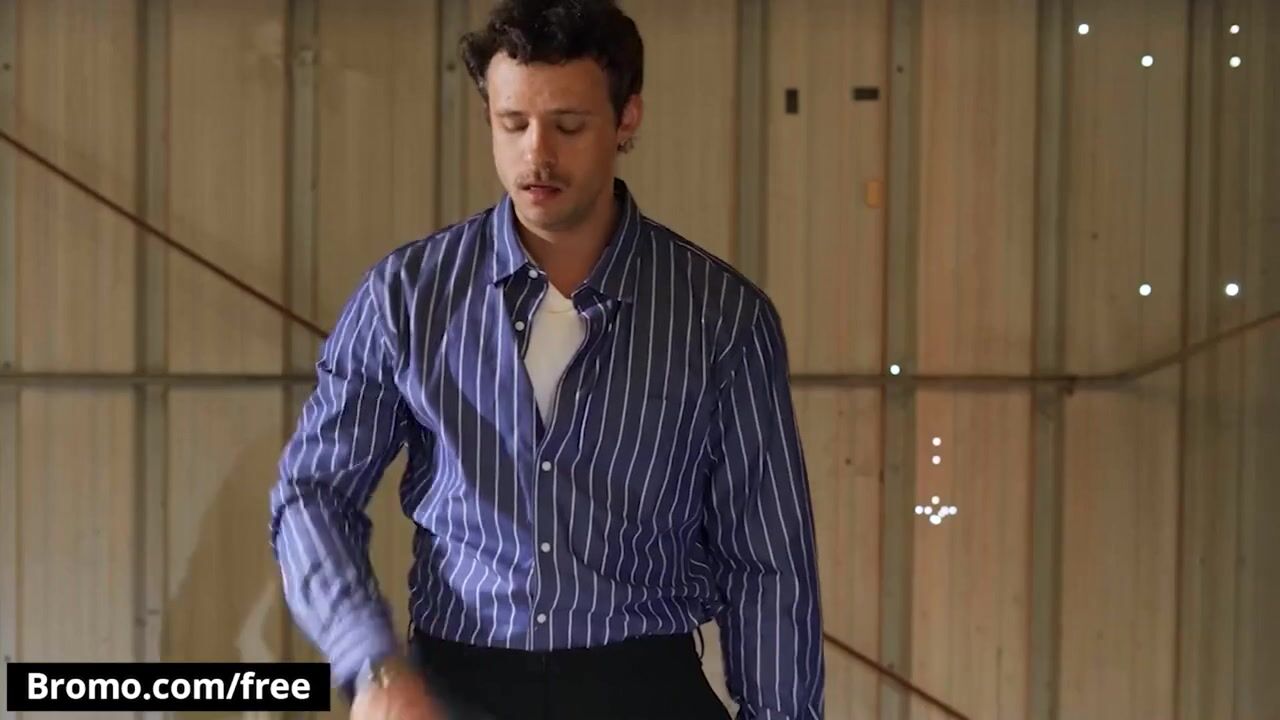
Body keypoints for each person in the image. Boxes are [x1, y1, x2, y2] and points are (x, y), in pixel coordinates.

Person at [267, 0, 824, 718]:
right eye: (513, 124)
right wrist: (370, 662)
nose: (537, 155)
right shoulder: (405, 298)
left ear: (626, 119)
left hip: (645, 690)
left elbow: (768, 562)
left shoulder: (721, 317)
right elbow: (313, 492)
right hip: (455, 690)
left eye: (568, 125)